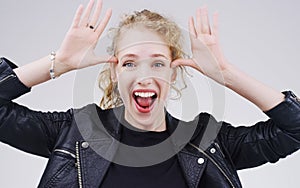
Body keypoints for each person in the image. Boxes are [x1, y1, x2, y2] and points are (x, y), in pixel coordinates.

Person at [0, 0, 300, 187]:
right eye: (130, 63)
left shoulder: (208, 142)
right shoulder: (74, 131)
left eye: (158, 63)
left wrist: (226, 73)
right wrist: (58, 64)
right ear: (115, 72)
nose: (144, 75)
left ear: (173, 71)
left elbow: (295, 129)